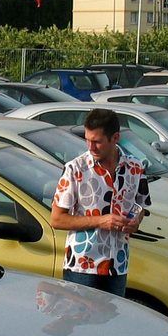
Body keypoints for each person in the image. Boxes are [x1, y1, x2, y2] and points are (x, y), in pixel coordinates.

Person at [49, 107, 150, 297]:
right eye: (87, 140)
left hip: (117, 265)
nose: (90, 147)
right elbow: (56, 219)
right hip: (82, 266)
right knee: (81, 323)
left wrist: (136, 221)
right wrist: (101, 221)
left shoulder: (135, 167)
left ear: (115, 138)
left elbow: (141, 206)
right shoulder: (75, 169)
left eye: (97, 142)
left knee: (111, 323)